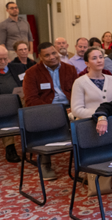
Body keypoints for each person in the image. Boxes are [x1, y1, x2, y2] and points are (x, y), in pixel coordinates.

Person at [22, 42, 77, 180]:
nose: (52, 57)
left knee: (86, 119)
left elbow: (78, 92)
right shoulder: (31, 73)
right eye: (47, 55)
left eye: (54, 53)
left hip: (69, 107)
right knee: (42, 120)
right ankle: (45, 162)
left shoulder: (70, 69)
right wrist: (56, 111)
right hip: (46, 109)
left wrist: (75, 106)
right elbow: (30, 99)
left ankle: (83, 161)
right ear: (39, 57)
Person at [70, 47, 112, 120]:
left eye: (101, 57)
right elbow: (76, 110)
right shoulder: (79, 82)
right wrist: (101, 114)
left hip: (111, 122)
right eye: (94, 58)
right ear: (87, 63)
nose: (99, 60)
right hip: (89, 123)